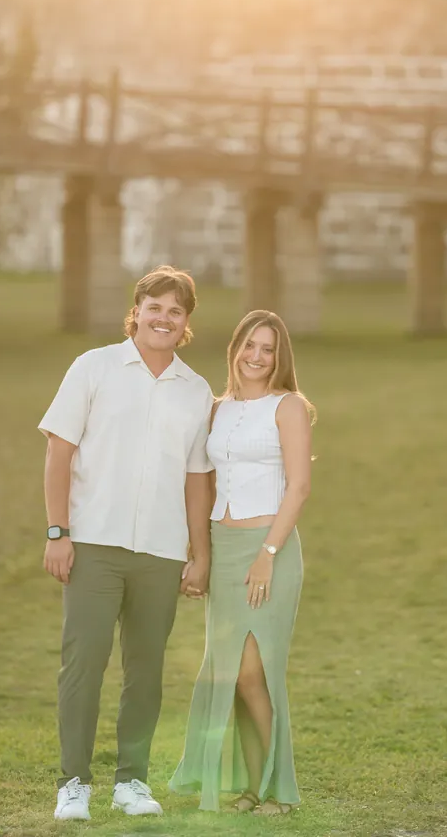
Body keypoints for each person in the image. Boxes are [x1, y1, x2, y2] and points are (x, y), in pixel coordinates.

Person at [39, 266, 214, 822]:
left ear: (186, 322)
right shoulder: (94, 368)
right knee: (83, 666)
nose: (163, 318)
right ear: (136, 310)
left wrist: (199, 553)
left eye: (175, 311)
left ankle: (132, 782)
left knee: (146, 670)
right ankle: (73, 784)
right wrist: (57, 532)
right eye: (154, 307)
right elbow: (59, 454)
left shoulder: (196, 390)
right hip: (92, 544)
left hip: (161, 553)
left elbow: (195, 480)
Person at [170, 309, 313, 814]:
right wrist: (199, 555)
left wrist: (268, 555)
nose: (256, 356)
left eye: (268, 349)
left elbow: (298, 487)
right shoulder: (217, 409)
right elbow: (201, 480)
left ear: (280, 357)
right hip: (225, 549)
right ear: (235, 349)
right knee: (231, 674)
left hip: (268, 547)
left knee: (257, 671)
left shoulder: (288, 406)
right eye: (249, 345)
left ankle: (278, 789)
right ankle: (253, 788)